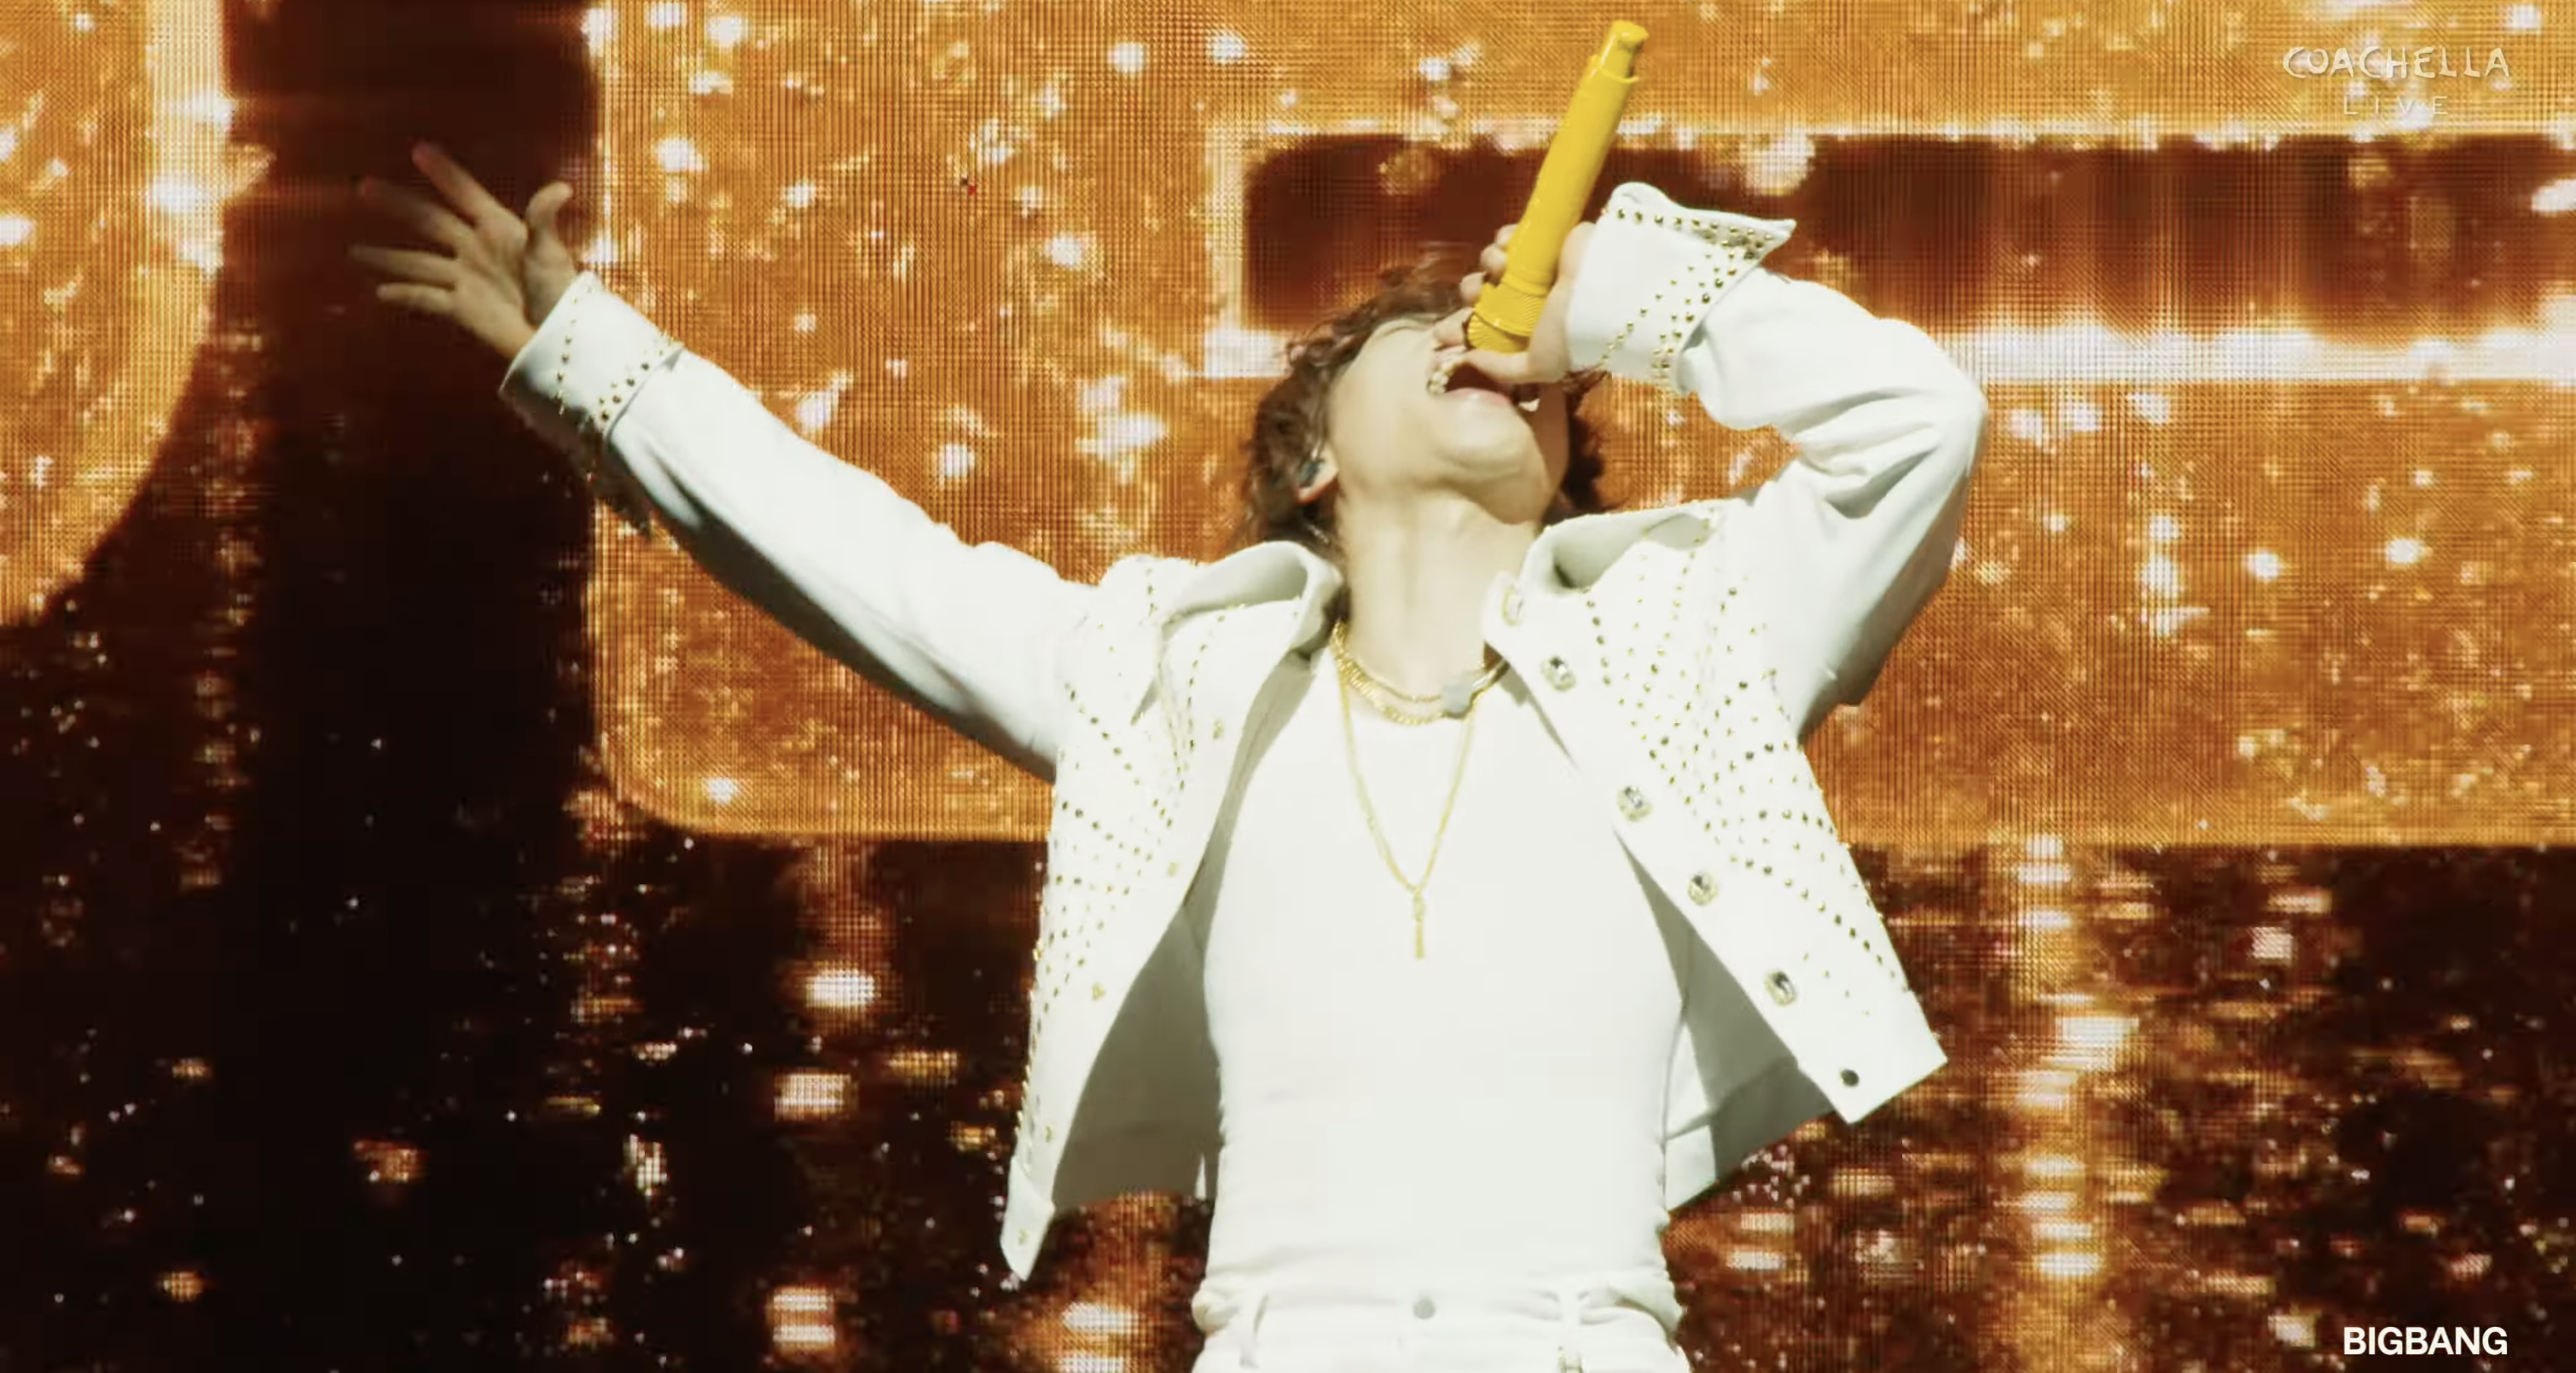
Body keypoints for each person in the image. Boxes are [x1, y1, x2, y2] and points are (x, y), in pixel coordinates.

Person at [356, 138, 1987, 1373]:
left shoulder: (1693, 640)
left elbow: (1917, 426)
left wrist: (1622, 301)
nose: (1480, 336)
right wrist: (586, 354)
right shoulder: (1166, 680)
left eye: (1516, 348)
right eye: (1420, 330)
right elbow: (866, 562)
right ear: (1314, 461)